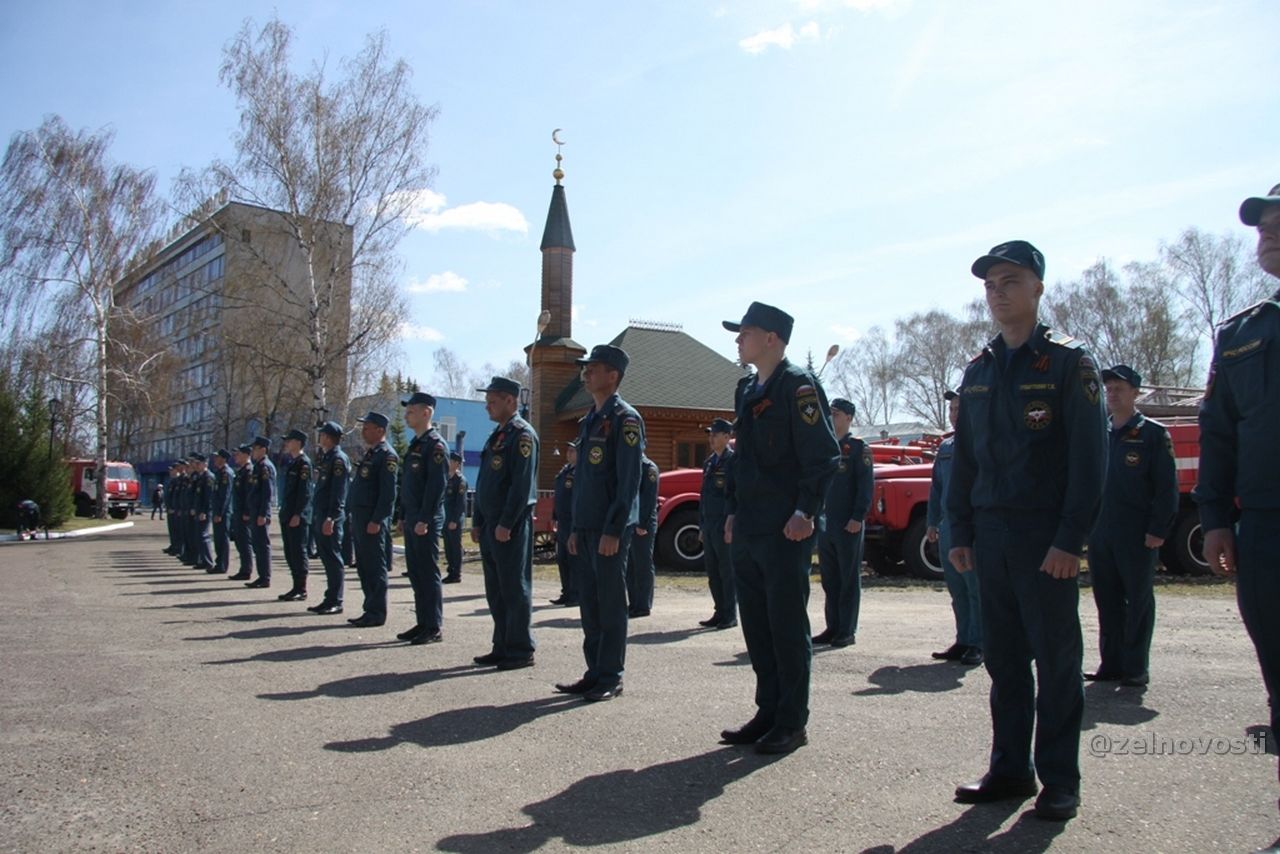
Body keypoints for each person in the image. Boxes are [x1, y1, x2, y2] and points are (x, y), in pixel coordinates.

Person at [946, 240, 1107, 822]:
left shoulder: (1069, 363)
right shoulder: (979, 369)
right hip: (990, 535)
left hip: (1045, 539)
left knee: (1056, 660)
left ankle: (1060, 780)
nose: (997, 292)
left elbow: (1091, 461)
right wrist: (959, 529)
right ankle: (1010, 768)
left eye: (1009, 281)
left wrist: (1070, 539)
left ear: (1038, 288)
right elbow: (966, 461)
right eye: (989, 284)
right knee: (1004, 660)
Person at [718, 302, 839, 755]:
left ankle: (791, 721)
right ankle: (767, 711)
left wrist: (806, 511)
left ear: (771, 338)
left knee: (787, 627)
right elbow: (743, 457)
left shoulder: (799, 387)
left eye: (744, 332)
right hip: (750, 524)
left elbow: (824, 456)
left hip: (785, 528)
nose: (737, 340)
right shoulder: (747, 388)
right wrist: (732, 509)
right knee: (757, 626)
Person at [1196, 182, 1280, 836]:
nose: (1268, 234)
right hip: (1267, 527)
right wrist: (1217, 516)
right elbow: (1219, 432)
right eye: (1262, 226)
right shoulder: (1243, 334)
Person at [554, 345, 644, 701]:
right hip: (586, 528)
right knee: (589, 605)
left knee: (609, 604)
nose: (586, 374)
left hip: (609, 530)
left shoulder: (626, 419)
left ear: (613, 376)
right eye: (585, 369)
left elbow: (628, 481)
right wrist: (576, 528)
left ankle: (611, 675)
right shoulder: (590, 419)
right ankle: (594, 671)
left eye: (593, 369)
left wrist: (613, 529)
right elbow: (585, 484)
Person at [1086, 365, 1178, 687]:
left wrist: (1159, 529)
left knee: (1138, 600)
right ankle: (1111, 664)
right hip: (1101, 532)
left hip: (1136, 533)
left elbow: (1167, 488)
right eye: (1108, 389)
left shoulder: (1153, 434)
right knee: (1106, 600)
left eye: (1119, 389)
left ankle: (1136, 667)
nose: (1112, 394)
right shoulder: (1100, 431)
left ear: (1135, 393)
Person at [471, 377, 539, 670]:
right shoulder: (496, 436)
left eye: (493, 400)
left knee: (513, 587)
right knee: (496, 589)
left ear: (510, 401)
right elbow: (485, 481)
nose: (487, 405)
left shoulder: (522, 435)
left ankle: (521, 649)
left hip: (508, 526)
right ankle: (501, 645)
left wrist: (507, 522)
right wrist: (478, 521)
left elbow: (521, 486)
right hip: (490, 525)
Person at [927, 390, 983, 666]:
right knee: (957, 588)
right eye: (951, 410)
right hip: (948, 526)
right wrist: (930, 522)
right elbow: (936, 488)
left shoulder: (982, 443)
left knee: (974, 587)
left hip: (972, 527)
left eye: (959, 409)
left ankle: (979, 642)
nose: (954, 414)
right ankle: (963, 639)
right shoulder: (946, 448)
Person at [813, 398, 874, 649]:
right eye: (830, 414)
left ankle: (847, 630)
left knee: (848, 579)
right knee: (830, 578)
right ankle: (833, 626)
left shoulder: (858, 448)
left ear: (849, 418)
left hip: (848, 523)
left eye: (836, 414)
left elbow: (865, 486)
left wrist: (857, 517)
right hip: (826, 523)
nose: (831, 418)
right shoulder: (825, 447)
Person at [398, 392, 449, 645]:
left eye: (411, 411)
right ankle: (422, 622)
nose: (407, 415)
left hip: (425, 519)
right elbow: (408, 484)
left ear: (426, 413)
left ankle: (433, 626)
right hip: (413, 516)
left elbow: (436, 486)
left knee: (428, 572)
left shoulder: (435, 445)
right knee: (416, 572)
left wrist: (425, 518)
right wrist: (403, 515)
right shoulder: (417, 444)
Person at [347, 411, 399, 628]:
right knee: (364, 566)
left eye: (367, 427)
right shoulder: (371, 454)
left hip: (372, 520)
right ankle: (369, 608)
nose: (364, 431)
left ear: (380, 430)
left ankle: (377, 612)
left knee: (375, 567)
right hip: (361, 518)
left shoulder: (387, 455)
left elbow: (388, 494)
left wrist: (377, 519)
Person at [307, 421, 350, 615]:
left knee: (333, 557)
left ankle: (336, 600)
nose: (319, 437)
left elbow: (339, 491)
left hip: (330, 516)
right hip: (322, 513)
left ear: (328, 437)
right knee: (326, 556)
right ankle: (329, 597)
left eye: (322, 434)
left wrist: (331, 517)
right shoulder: (328, 458)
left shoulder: (338, 459)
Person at [698, 418, 737, 630]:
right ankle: (719, 610)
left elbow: (734, 494)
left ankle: (730, 614)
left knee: (727, 571)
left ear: (727, 436)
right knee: (713, 572)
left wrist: (731, 524)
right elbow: (704, 496)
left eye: (715, 434)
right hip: (710, 524)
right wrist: (702, 525)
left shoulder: (733, 461)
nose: (711, 438)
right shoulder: (709, 462)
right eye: (710, 434)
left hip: (724, 523)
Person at [277, 429, 314, 601]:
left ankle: (301, 588)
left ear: (298, 443)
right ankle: (295, 586)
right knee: (290, 551)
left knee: (298, 552)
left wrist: (298, 513)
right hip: (288, 513)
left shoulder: (303, 464)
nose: (286, 443)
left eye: (289, 441)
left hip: (297, 516)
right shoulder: (293, 462)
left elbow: (305, 492)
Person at [627, 455, 659, 618]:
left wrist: (643, 523)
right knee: (630, 566)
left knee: (642, 564)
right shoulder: (630, 465)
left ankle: (643, 604)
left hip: (643, 523)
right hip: (630, 523)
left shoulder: (648, 468)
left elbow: (648, 499)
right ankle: (633, 603)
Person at [550, 441, 580, 606]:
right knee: (562, 559)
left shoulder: (580, 473)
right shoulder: (565, 471)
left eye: (572, 451)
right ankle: (566, 591)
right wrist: (554, 515)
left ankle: (576, 593)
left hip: (572, 521)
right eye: (568, 451)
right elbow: (559, 496)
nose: (568, 454)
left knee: (573, 558)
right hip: (562, 521)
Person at [245, 436, 277, 589]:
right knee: (257, 544)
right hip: (255, 511)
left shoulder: (265, 467)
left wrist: (263, 514)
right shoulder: (258, 466)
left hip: (260, 513)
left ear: (263, 450)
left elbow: (267, 493)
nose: (252, 452)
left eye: (255, 449)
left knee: (262, 545)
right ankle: (261, 576)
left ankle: (265, 577)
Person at [228, 445, 254, 582]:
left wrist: (247, 512)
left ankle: (246, 570)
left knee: (245, 542)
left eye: (237, 454)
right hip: (237, 512)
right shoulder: (241, 471)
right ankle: (243, 569)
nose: (235, 457)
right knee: (239, 541)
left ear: (245, 455)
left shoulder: (249, 471)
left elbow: (249, 494)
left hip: (244, 513)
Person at [443, 451, 467, 583]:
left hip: (454, 518)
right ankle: (451, 569)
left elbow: (460, 503)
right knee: (448, 545)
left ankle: (456, 572)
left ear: (457, 463)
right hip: (445, 517)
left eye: (451, 461)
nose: (448, 463)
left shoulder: (460, 480)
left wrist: (455, 520)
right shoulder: (446, 478)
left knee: (455, 546)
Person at [208, 449, 233, 575]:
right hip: (217, 511)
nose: (214, 460)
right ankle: (219, 563)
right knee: (218, 539)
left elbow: (225, 496)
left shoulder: (226, 474)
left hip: (223, 513)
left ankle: (222, 565)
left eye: (217, 457)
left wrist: (219, 513)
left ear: (223, 459)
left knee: (222, 539)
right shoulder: (219, 473)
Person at [188, 453, 215, 571]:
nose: (196, 466)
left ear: (205, 464)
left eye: (199, 464)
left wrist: (204, 511)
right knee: (198, 536)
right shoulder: (200, 476)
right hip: (198, 510)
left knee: (204, 536)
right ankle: (203, 560)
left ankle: (209, 561)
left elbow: (209, 497)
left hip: (204, 512)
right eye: (196, 464)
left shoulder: (208, 477)